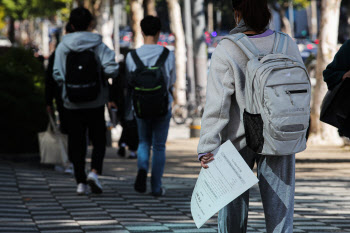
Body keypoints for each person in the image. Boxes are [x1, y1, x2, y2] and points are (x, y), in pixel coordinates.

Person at [197, 0, 304, 232]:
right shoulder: (286, 43)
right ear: (266, 13)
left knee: (231, 212)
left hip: (237, 140)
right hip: (280, 134)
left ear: (237, 15)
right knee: (281, 212)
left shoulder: (227, 48)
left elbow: (217, 105)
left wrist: (208, 146)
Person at [53, 7, 119, 195]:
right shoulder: (99, 45)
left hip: (71, 102)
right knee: (98, 139)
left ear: (71, 25)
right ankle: (94, 173)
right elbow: (112, 70)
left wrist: (68, 85)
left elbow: (57, 74)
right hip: (96, 101)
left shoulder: (63, 47)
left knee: (76, 141)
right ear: (91, 24)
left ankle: (80, 182)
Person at [125, 15, 176, 196]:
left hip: (140, 106)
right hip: (162, 105)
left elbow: (130, 82)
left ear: (141, 31)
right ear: (159, 32)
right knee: (159, 146)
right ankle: (156, 187)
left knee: (144, 142)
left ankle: (141, 169)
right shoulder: (167, 55)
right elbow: (171, 82)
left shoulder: (132, 56)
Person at [111, 61, 139, 159]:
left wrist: (112, 100)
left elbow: (113, 89)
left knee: (126, 126)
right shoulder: (134, 74)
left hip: (120, 104)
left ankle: (123, 145)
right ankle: (131, 149)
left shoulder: (118, 76)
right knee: (131, 127)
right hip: (132, 104)